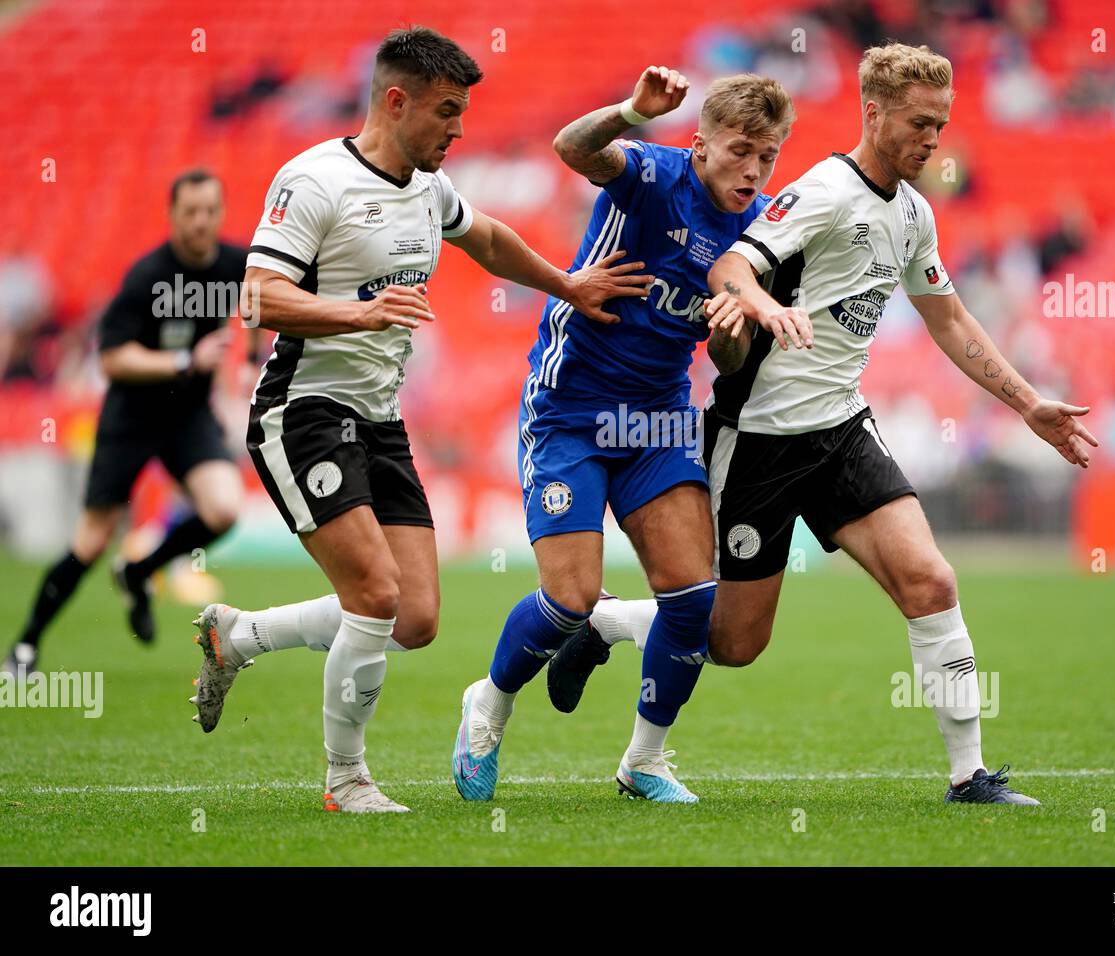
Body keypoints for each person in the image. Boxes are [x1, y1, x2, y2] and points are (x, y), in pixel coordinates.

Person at [551, 42, 1102, 805]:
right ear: (873, 114)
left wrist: (1027, 401)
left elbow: (948, 319)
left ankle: (970, 775)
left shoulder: (913, 213)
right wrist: (766, 305)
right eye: (918, 123)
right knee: (732, 643)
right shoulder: (823, 192)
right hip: (758, 444)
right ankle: (607, 626)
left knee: (931, 580)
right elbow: (730, 268)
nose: (931, 140)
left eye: (940, 125)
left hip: (842, 430)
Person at [188, 27, 651, 814]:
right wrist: (357, 313)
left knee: (415, 617)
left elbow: (493, 241)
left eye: (462, 114)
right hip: (302, 412)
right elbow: (258, 296)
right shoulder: (315, 180)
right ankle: (346, 782)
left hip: (377, 419)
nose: (457, 130)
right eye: (445, 112)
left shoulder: (429, 188)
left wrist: (567, 285)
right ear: (395, 101)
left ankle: (237, 637)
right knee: (373, 592)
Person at [450, 67, 794, 804]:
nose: (753, 170)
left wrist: (728, 333)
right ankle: (490, 704)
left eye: (767, 156)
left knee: (694, 597)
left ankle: (645, 760)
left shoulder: (758, 231)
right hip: (570, 405)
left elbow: (729, 361)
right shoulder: (652, 173)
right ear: (700, 145)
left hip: (660, 417)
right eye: (740, 150)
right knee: (568, 597)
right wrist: (635, 110)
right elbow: (573, 149)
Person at [3, 170, 246, 676]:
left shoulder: (234, 264)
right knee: (92, 540)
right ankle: (26, 644)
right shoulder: (147, 276)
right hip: (131, 417)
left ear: (220, 214)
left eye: (209, 211)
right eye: (190, 212)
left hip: (187, 416)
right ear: (172, 216)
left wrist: (254, 357)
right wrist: (185, 361)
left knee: (223, 508)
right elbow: (112, 358)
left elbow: (269, 297)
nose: (201, 222)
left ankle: (140, 573)